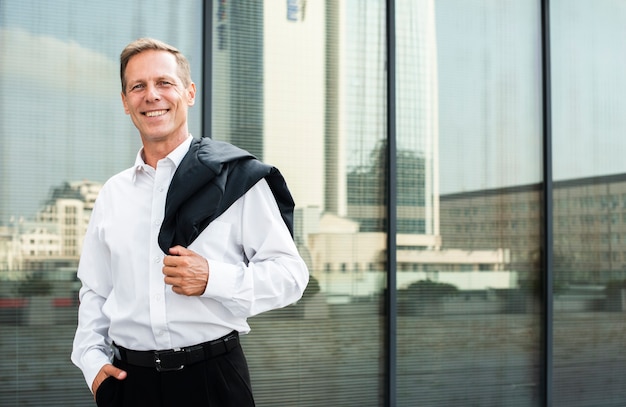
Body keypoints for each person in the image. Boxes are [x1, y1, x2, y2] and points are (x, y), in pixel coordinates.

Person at [71, 37, 309, 406]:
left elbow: (292, 276)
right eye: (138, 86)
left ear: (190, 93)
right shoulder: (113, 194)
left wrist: (213, 278)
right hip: (129, 384)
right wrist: (92, 364)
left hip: (213, 382)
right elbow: (95, 291)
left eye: (164, 83)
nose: (151, 95)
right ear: (125, 102)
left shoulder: (237, 180)